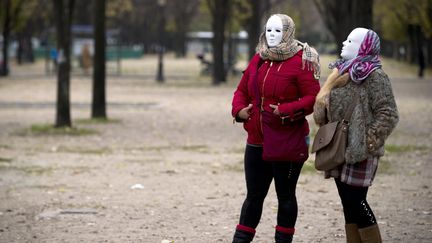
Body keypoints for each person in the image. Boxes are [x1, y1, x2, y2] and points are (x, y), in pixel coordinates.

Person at [231, 14, 320, 243]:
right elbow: (241, 91)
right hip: (256, 141)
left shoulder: (302, 61)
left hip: (287, 141)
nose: (271, 35)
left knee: (286, 196)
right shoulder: (259, 58)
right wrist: (239, 111)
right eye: (268, 30)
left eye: (277, 31)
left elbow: (313, 98)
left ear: (288, 33)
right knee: (253, 196)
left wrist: (287, 110)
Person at [313, 28, 399, 242]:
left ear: (364, 47)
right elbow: (323, 110)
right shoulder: (339, 73)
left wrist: (368, 142)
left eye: (351, 40)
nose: (344, 42)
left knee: (356, 201)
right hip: (339, 147)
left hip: (360, 151)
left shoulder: (375, 75)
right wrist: (323, 99)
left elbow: (388, 113)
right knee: (348, 203)